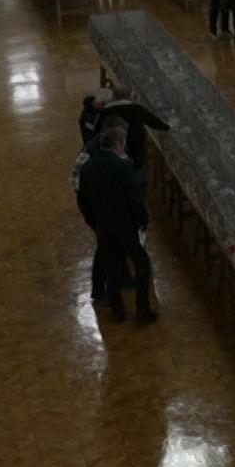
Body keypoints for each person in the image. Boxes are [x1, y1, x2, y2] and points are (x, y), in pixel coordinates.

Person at [75, 123, 156, 324]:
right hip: (125, 224)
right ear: (118, 144)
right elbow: (134, 197)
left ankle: (118, 311)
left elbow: (82, 198)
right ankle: (142, 310)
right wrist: (142, 219)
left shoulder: (87, 167)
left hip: (103, 224)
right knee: (142, 265)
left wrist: (92, 221)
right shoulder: (121, 166)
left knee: (111, 267)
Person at [101, 88, 171, 185]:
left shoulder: (105, 112)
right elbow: (155, 123)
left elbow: (97, 133)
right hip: (136, 147)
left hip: (113, 150)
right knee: (137, 173)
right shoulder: (137, 109)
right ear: (129, 96)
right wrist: (168, 127)